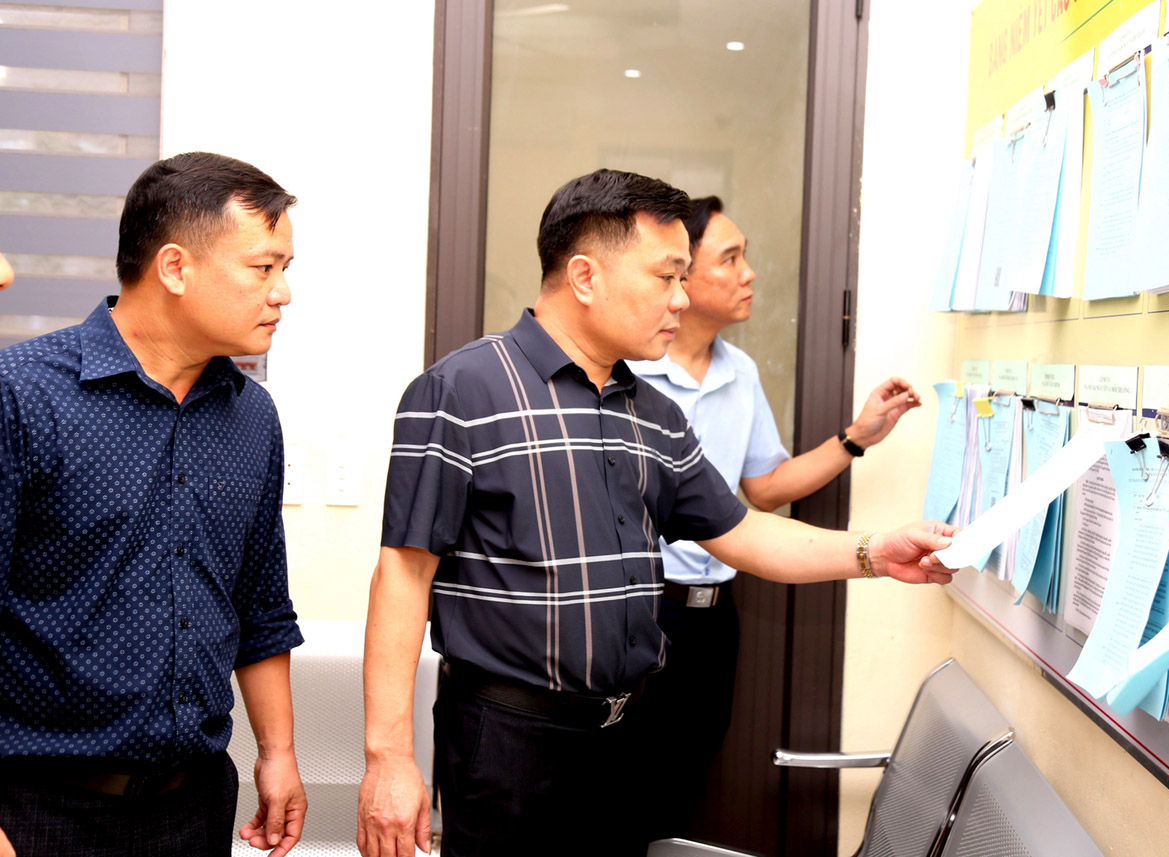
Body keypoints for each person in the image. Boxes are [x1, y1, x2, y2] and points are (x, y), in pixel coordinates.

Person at [356, 168, 957, 857]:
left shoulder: (654, 415)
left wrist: (876, 551)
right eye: (667, 276)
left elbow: (743, 531)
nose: (681, 298)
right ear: (585, 276)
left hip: (624, 737)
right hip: (507, 742)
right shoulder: (461, 389)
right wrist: (389, 758)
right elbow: (402, 575)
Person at [0, 152, 307, 857]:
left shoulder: (251, 415)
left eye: (286, 267)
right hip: (39, 808)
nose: (283, 292)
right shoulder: (23, 395)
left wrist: (279, 754)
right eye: (264, 268)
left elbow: (259, 605)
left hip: (192, 808)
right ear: (175, 267)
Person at [626, 196, 922, 836]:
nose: (749, 273)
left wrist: (855, 438)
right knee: (615, 790)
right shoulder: (629, 375)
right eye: (730, 259)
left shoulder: (740, 372)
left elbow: (763, 488)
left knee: (681, 784)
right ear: (682, 276)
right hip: (641, 609)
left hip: (712, 618)